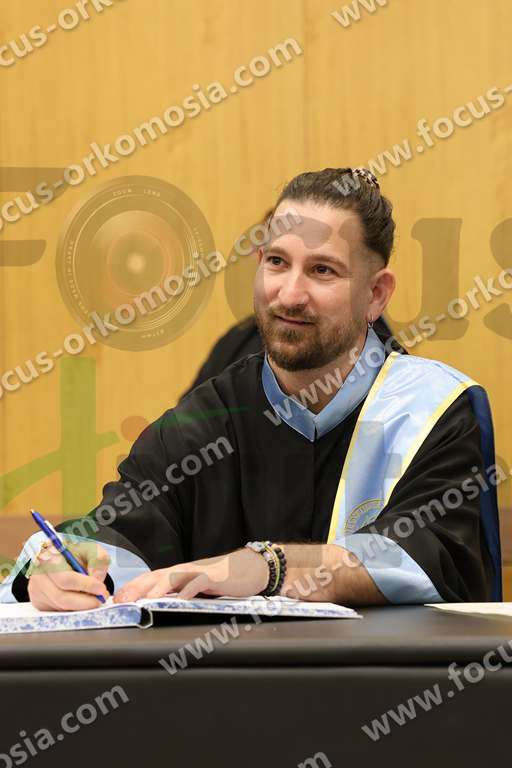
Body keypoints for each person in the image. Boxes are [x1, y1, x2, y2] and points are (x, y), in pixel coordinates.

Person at [1, 166, 501, 610]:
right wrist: (59, 568)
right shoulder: (204, 421)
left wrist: (266, 565)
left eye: (322, 270)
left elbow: (431, 554)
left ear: (376, 294)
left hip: (390, 681)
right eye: (277, 262)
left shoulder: (434, 410)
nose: (290, 294)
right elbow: (119, 531)